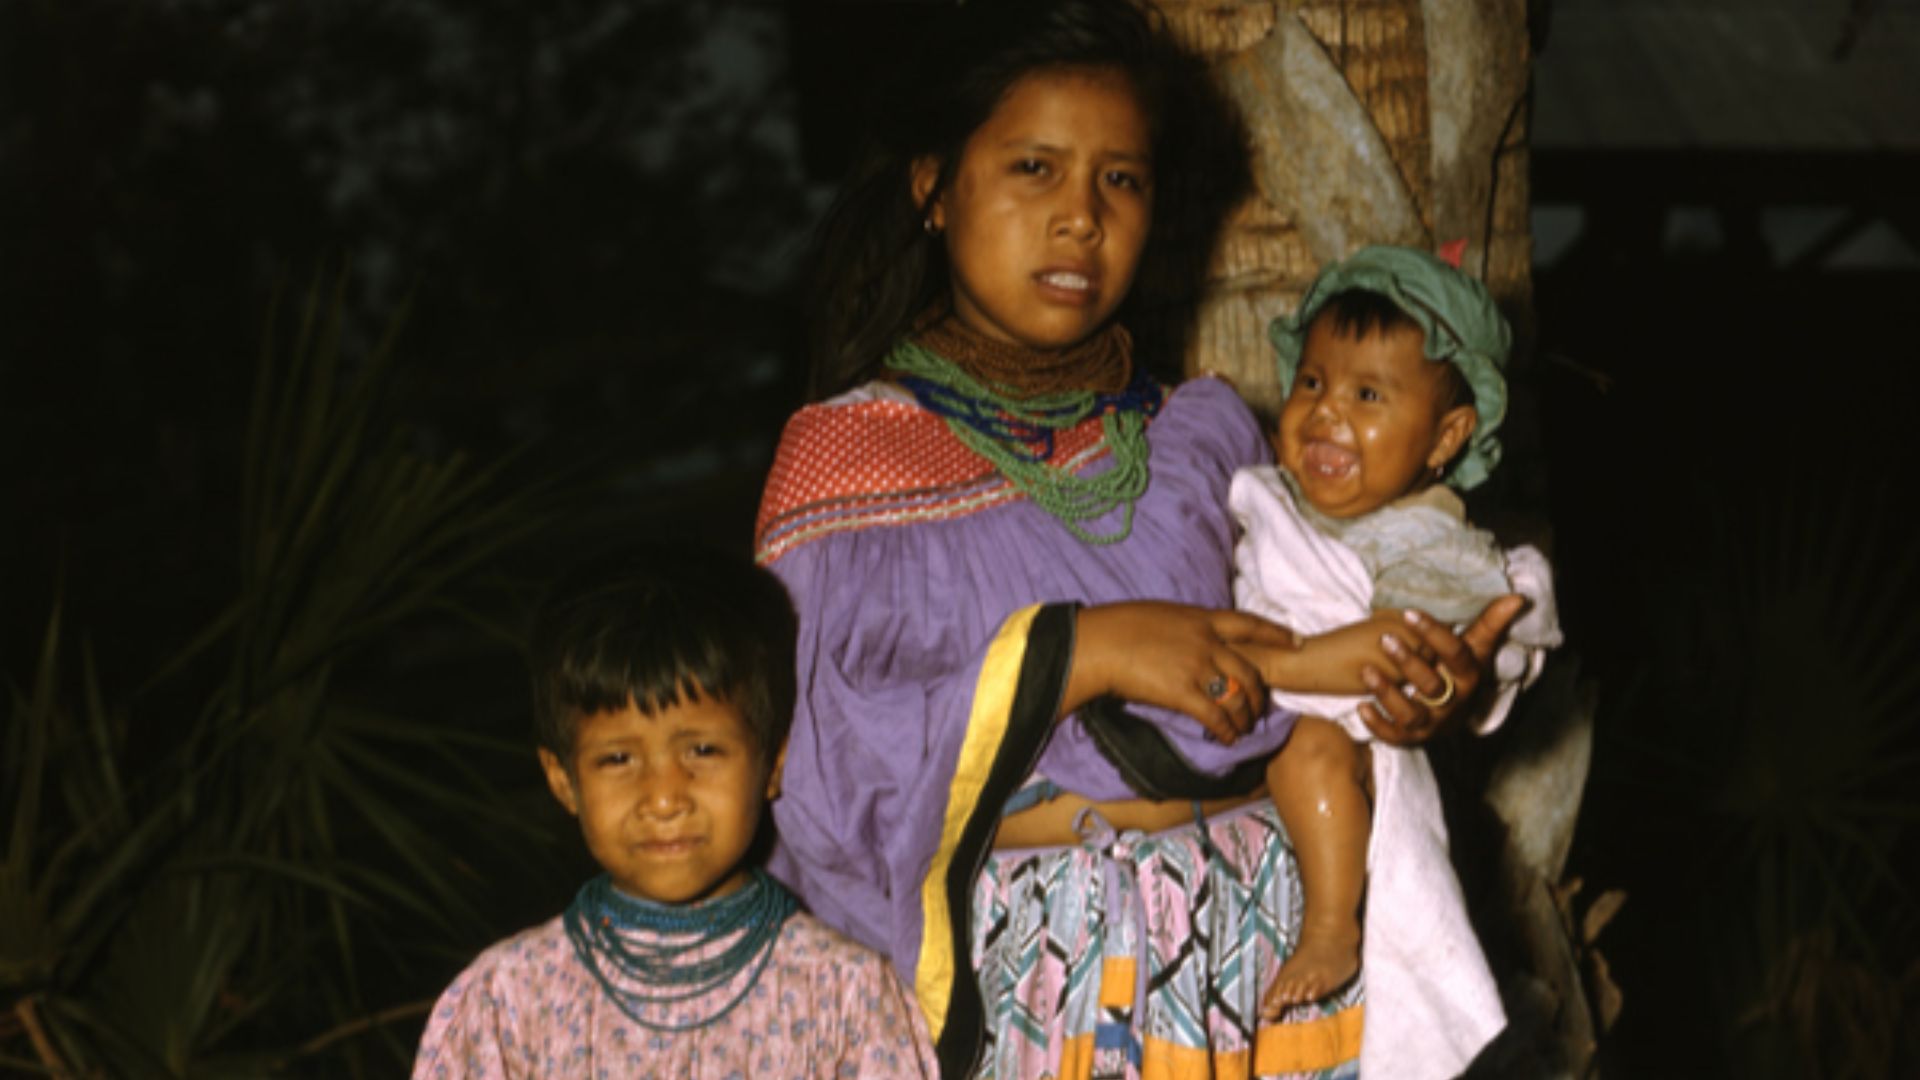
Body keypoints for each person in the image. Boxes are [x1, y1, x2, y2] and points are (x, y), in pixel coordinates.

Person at [753, 3, 1525, 1077]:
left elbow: (1309, 641)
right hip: (1038, 986)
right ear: (934, 185)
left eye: (1121, 179)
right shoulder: (846, 462)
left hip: (1263, 958)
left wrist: (1411, 684)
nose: (1081, 218)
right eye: (1034, 167)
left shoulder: (1201, 437)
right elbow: (814, 781)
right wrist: (1079, 651)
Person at [410, 546, 938, 1079]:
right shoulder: (505, 1006)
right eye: (617, 759)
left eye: (702, 751)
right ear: (563, 780)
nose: (664, 799)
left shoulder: (848, 999)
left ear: (772, 764)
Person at [1235, 244, 1563, 1078]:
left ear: (1447, 437)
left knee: (1311, 752)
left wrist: (1275, 664)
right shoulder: (1280, 503)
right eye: (1312, 382)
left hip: (1350, 740)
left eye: (1369, 395)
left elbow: (1407, 645)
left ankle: (1334, 928)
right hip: (1252, 748)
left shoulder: (1430, 537)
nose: (1327, 412)